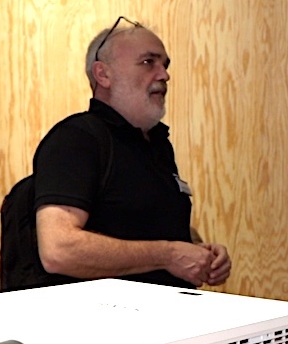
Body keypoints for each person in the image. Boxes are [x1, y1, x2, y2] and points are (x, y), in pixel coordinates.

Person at [33, 17, 230, 288]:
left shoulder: (157, 143)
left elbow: (144, 229)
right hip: (105, 313)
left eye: (165, 65)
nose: (164, 75)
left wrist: (199, 253)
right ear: (103, 75)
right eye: (148, 62)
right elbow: (59, 250)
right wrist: (169, 255)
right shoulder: (77, 138)